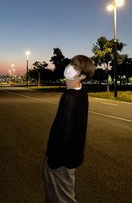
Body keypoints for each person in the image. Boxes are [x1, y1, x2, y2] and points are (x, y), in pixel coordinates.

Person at [43, 55, 95, 203]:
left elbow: (64, 132)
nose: (70, 67)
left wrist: (54, 161)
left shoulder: (70, 98)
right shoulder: (81, 92)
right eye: (72, 64)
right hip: (71, 157)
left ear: (83, 75)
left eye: (76, 67)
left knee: (60, 198)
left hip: (61, 161)